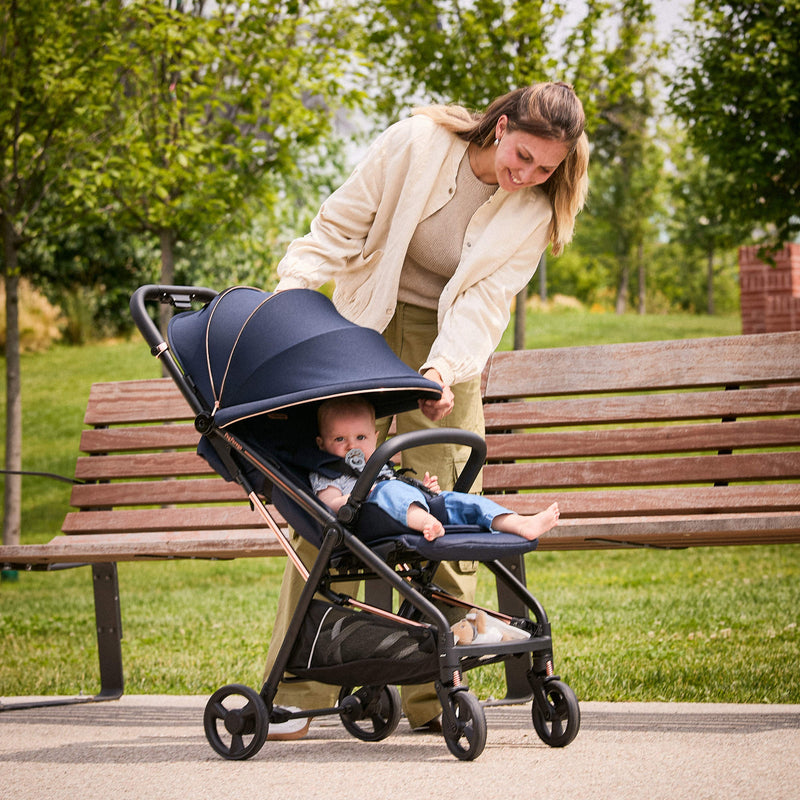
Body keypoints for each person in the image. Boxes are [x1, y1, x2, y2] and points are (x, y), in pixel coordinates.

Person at [264, 81, 589, 739]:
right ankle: (292, 691)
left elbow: (485, 304)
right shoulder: (416, 143)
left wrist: (441, 369)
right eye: (522, 156)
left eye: (545, 168)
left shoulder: (535, 210)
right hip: (363, 336)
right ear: (501, 128)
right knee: (328, 513)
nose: (526, 175)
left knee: (442, 525)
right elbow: (341, 223)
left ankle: (437, 696)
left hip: (450, 356)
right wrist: (288, 299)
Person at [311, 396, 560, 542]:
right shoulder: (327, 472)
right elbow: (329, 504)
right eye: (340, 440)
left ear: (376, 438)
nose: (351, 446)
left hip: (413, 507)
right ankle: (426, 521)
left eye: (361, 438)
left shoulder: (378, 465)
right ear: (321, 444)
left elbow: (400, 488)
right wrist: (359, 495)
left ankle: (518, 524)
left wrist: (422, 490)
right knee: (386, 491)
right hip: (371, 519)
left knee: (465, 502)